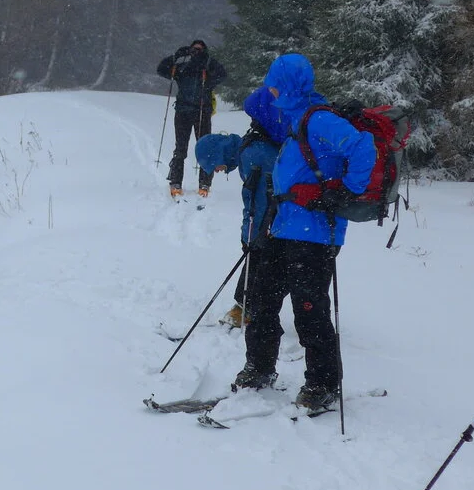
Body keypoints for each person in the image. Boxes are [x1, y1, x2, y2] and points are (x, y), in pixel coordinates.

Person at [231, 53, 375, 411]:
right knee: (262, 300)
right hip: (283, 227)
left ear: (288, 85)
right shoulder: (296, 118)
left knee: (309, 310)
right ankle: (259, 368)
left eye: (275, 84)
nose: (272, 91)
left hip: (315, 234)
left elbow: (362, 147)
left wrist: (340, 192)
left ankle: (323, 384)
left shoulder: (319, 118)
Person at [194, 85, 287, 330]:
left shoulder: (251, 156)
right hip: (283, 215)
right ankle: (248, 308)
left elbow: (257, 203)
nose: (217, 171)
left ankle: (247, 310)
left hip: (279, 218)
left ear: (218, 154)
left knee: (260, 257)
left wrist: (250, 235)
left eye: (214, 165)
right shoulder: (250, 145)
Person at [156, 39, 227, 197]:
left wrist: (208, 60)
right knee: (180, 148)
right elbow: (161, 69)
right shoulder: (183, 68)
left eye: (200, 50)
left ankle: (205, 183)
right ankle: (175, 181)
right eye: (194, 49)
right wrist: (176, 56)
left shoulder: (208, 69)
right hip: (183, 112)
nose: (197, 52)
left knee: (205, 148)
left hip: (203, 112)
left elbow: (223, 74)